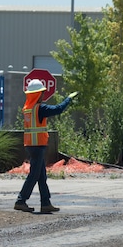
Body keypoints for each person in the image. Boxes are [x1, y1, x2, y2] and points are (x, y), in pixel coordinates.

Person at [14, 79, 77, 213]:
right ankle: (21, 200)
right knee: (34, 175)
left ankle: (45, 203)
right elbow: (58, 109)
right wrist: (68, 99)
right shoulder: (40, 108)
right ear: (37, 94)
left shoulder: (28, 109)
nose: (43, 95)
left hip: (31, 145)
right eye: (41, 93)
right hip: (37, 146)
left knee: (41, 175)